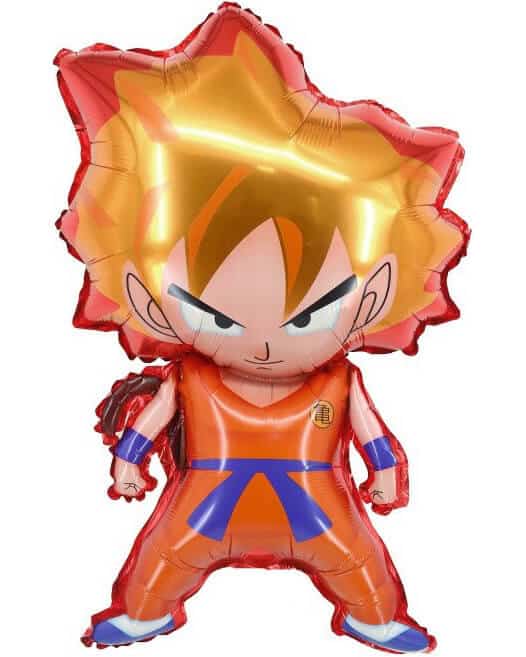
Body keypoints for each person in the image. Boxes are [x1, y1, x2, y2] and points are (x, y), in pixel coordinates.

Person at [55, 6, 468, 652]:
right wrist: (129, 458)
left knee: (356, 559)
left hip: (319, 507)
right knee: (166, 555)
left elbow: (370, 432)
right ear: (143, 295)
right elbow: (153, 419)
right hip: (203, 505)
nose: (268, 340)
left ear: (378, 292)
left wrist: (384, 468)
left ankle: (375, 615)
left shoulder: (337, 380)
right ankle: (143, 611)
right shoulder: (189, 377)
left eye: (312, 312)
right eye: (213, 315)